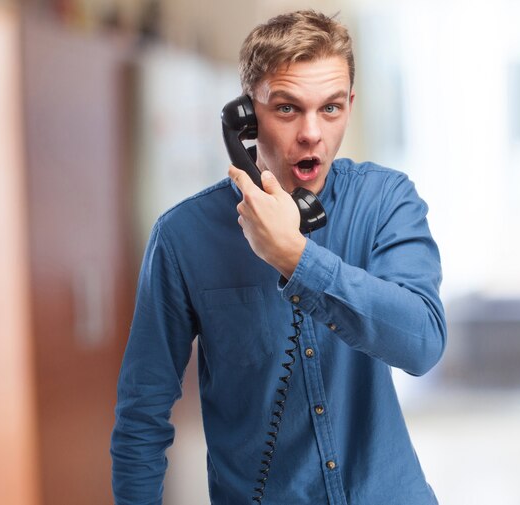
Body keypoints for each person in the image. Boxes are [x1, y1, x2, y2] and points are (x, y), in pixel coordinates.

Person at [111, 9, 446, 505]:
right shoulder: (182, 237)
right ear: (245, 115)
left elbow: (422, 343)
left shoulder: (386, 201)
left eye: (330, 108)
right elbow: (143, 413)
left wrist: (296, 258)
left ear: (350, 105)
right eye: (288, 109)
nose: (312, 133)